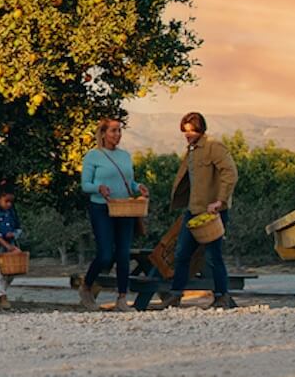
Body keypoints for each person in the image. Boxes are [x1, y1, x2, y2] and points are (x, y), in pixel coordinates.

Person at [162, 111, 238, 309]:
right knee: (181, 253)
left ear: (201, 129)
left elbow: (230, 173)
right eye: (185, 131)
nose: (188, 134)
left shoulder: (214, 147)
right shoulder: (191, 150)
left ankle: (222, 295)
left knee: (213, 256)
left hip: (213, 212)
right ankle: (175, 294)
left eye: (192, 131)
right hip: (193, 210)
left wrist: (220, 201)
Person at [78, 117, 147, 311]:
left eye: (119, 130)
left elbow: (129, 183)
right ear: (103, 133)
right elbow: (85, 185)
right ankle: (86, 286)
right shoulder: (93, 156)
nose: (117, 134)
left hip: (125, 208)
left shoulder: (125, 156)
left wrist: (138, 187)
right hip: (101, 208)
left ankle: (122, 299)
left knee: (123, 254)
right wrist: (98, 187)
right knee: (106, 255)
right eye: (113, 131)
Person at [0, 189, 24, 309]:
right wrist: (8, 246)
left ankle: (0, 290)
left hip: (9, 243)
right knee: (0, 270)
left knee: (13, 270)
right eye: (6, 201)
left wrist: (13, 234)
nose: (9, 204)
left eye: (11, 202)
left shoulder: (12, 213)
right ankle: (2, 296)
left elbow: (18, 228)